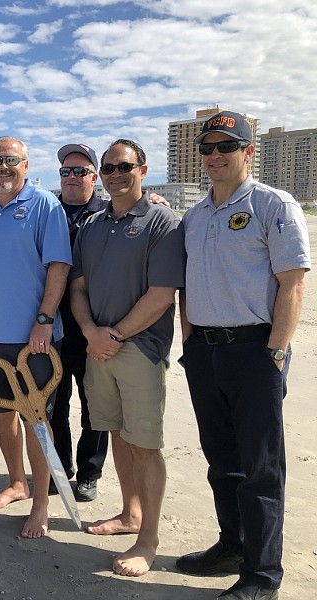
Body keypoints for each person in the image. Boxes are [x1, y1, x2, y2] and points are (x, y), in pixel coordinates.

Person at [176, 111, 310, 600]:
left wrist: (275, 352)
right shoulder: (194, 217)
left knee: (260, 467)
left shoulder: (274, 205)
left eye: (226, 147)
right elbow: (186, 284)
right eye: (207, 148)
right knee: (222, 461)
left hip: (255, 350)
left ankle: (262, 574)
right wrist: (189, 340)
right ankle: (231, 547)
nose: (215, 156)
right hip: (205, 354)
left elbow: (293, 283)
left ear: (248, 152)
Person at [69, 139, 185, 577]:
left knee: (145, 443)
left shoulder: (162, 220)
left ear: (143, 168)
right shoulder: (94, 224)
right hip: (97, 346)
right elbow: (78, 286)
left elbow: (161, 294)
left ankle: (148, 539)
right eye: (109, 168)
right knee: (116, 433)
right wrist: (90, 333)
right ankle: (129, 513)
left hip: (140, 348)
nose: (116, 174)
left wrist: (114, 334)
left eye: (124, 166)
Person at [0, 136, 71, 538]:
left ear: (26, 164)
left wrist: (44, 319)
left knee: (36, 421)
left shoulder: (45, 205)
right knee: (1, 414)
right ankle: (17, 482)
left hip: (35, 338)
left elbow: (58, 266)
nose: (3, 167)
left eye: (11, 160)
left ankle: (41, 503)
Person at [48, 144, 110, 503]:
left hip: (93, 326)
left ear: (94, 176)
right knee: (54, 402)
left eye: (80, 171)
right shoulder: (47, 211)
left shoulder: (107, 212)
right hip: (53, 325)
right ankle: (61, 467)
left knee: (93, 406)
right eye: (65, 171)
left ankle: (89, 472)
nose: (71, 177)